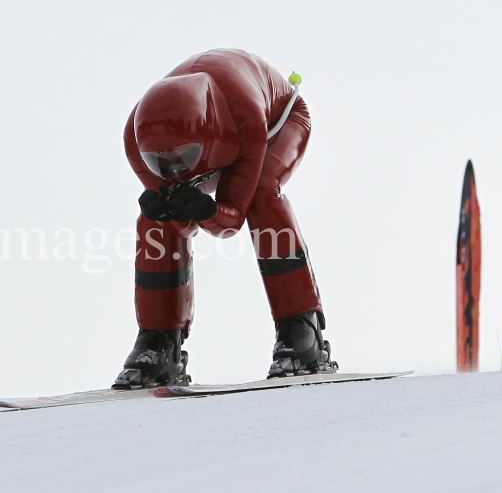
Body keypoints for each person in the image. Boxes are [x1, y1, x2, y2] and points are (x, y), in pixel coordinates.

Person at [113, 49, 338, 389]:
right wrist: (169, 210)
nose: (175, 170)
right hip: (216, 138)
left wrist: (204, 209)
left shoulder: (243, 113)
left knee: (263, 192)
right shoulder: (134, 138)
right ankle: (159, 341)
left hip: (277, 122)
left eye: (183, 156)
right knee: (154, 223)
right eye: (161, 162)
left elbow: (231, 220)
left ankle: (301, 327)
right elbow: (179, 221)